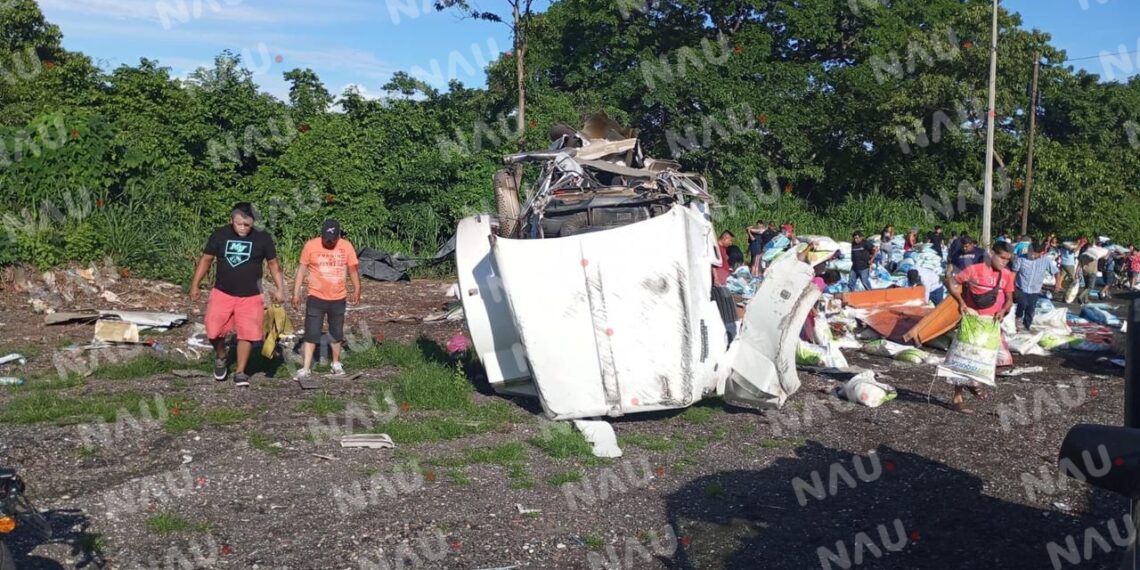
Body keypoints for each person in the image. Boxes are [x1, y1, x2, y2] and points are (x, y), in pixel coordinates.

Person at [190, 202, 286, 387]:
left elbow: (273, 264)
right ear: (231, 220)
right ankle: (221, 355)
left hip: (251, 296)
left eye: (247, 224)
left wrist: (280, 288)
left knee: (247, 335)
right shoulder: (220, 235)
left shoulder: (262, 238)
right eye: (239, 223)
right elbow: (206, 259)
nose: (243, 228)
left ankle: (241, 371)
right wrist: (195, 284)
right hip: (223, 292)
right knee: (213, 330)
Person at [944, 242, 1015, 413]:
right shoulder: (974, 270)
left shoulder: (1007, 275)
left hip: (990, 324)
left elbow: (1009, 299)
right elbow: (950, 282)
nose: (1004, 262)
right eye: (1002, 258)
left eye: (1007, 260)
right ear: (992, 254)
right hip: (972, 321)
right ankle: (957, 399)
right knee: (963, 359)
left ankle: (973, 383)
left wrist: (1003, 311)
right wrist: (961, 302)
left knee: (986, 359)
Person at [292, 220, 362, 380]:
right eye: (326, 238)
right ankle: (306, 367)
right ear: (321, 234)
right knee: (311, 332)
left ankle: (336, 363)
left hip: (338, 296)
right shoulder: (310, 246)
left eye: (332, 239)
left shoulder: (347, 246)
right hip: (316, 296)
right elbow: (302, 270)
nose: (329, 242)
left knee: (336, 331)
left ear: (338, 236)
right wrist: (295, 293)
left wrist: (357, 288)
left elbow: (352, 269)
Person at [1011, 241, 1057, 330]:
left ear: (1041, 253)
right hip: (1021, 287)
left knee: (1031, 309)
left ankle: (1026, 326)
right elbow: (1014, 273)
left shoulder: (1046, 260)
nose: (1032, 256)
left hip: (1035, 289)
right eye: (1030, 253)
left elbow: (1056, 272)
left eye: (1035, 254)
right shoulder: (1020, 258)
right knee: (1022, 303)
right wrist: (1012, 287)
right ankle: (1018, 319)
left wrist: (1058, 284)